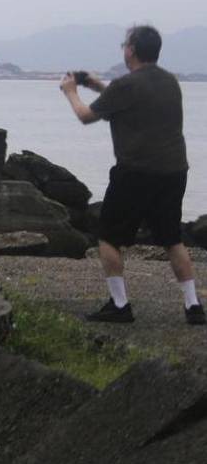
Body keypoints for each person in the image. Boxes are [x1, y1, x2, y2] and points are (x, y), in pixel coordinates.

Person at [59, 24, 203, 325]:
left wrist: (71, 92)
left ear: (132, 50)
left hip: (136, 172)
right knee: (171, 238)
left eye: (125, 44)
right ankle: (193, 306)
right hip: (174, 171)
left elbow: (86, 116)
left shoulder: (127, 86)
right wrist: (96, 85)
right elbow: (127, 97)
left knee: (108, 237)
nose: (123, 49)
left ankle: (120, 305)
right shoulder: (169, 82)